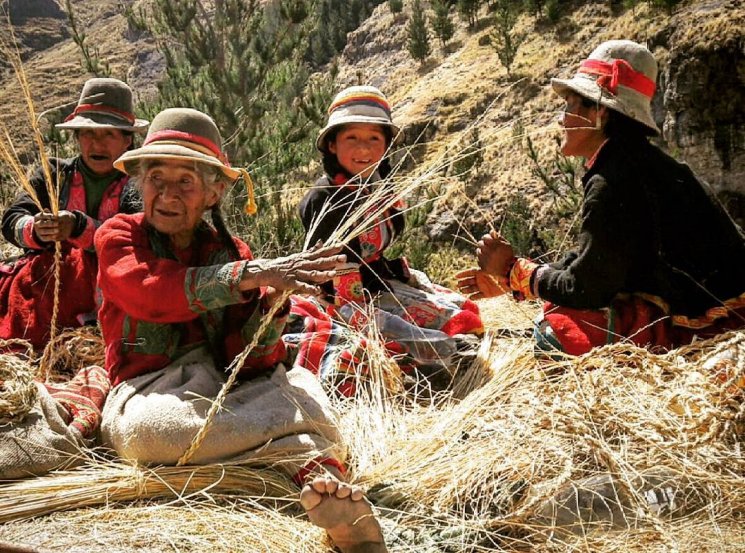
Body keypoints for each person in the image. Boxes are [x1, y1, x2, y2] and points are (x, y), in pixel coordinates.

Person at [95, 107, 387, 552]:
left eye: (186, 182)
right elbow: (152, 294)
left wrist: (269, 313)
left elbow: (248, 362)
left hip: (226, 391)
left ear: (212, 194)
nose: (168, 194)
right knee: (151, 432)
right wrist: (249, 276)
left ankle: (332, 499)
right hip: (148, 389)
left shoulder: (229, 252)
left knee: (305, 387)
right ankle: (292, 450)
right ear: (139, 182)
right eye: (156, 178)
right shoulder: (118, 237)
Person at [456, 40, 745, 356]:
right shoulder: (634, 161)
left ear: (599, 113)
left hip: (714, 324)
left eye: (570, 105)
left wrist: (513, 269)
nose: (562, 118)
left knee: (559, 334)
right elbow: (596, 259)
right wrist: (512, 280)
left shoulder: (614, 179)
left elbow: (587, 288)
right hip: (712, 302)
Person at [292, 86, 483, 391]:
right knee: (427, 339)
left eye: (374, 139)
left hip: (377, 281)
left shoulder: (377, 190)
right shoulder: (325, 198)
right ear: (332, 144)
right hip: (343, 295)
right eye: (351, 138)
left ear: (386, 145)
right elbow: (338, 275)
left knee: (461, 313)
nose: (363, 149)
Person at [0, 77, 148, 351]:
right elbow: (12, 219)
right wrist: (35, 228)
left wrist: (79, 227)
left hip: (110, 289)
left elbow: (139, 236)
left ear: (128, 140)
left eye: (109, 134)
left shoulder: (140, 182)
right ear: (77, 137)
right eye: (88, 133)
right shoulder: (55, 174)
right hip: (50, 286)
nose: (97, 144)